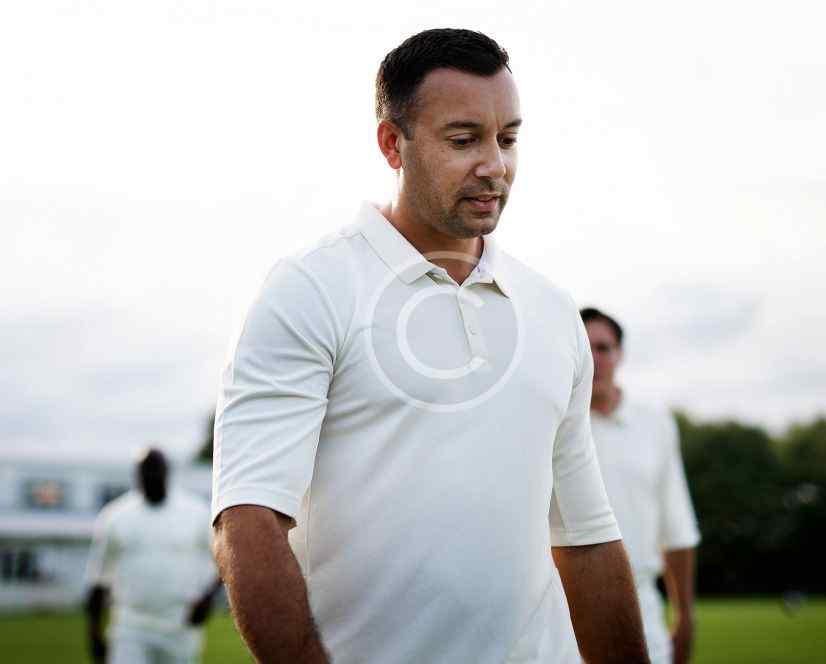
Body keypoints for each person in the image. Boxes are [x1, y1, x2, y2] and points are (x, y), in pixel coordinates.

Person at [211, 29, 649, 664]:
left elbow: (586, 539)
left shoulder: (553, 312)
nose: (494, 166)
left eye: (507, 139)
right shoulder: (309, 287)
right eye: (463, 140)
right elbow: (248, 519)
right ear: (393, 144)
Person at [581, 308, 701, 664]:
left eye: (603, 348)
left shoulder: (656, 424)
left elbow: (677, 528)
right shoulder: (551, 421)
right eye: (584, 348)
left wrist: (685, 616)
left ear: (620, 354)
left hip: (642, 610)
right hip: (561, 614)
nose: (594, 359)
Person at [84, 448, 222, 664]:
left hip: (180, 625)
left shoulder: (196, 512)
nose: (151, 475)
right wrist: (94, 632)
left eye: (156, 470)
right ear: (137, 474)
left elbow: (223, 559)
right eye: (146, 470)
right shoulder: (115, 516)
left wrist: (208, 599)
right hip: (131, 626)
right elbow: (98, 579)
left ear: (167, 472)